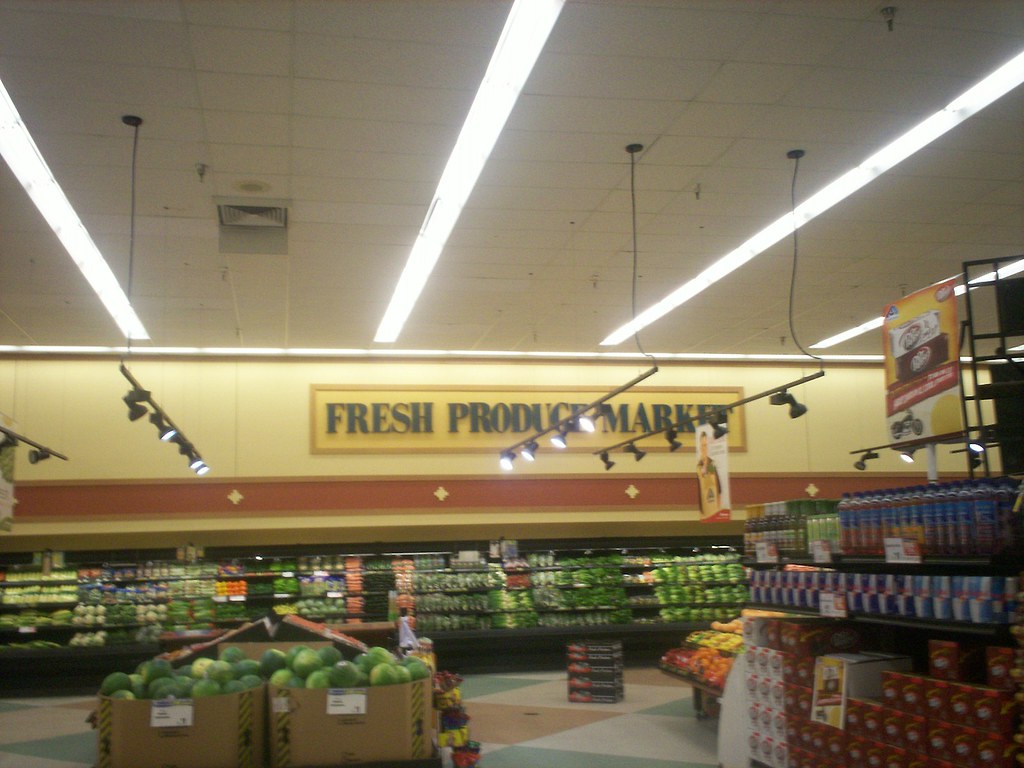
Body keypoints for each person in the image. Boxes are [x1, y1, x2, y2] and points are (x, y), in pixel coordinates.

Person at [696, 430, 721, 519]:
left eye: (706, 445)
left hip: (714, 510)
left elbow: (716, 484)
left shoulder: (711, 464)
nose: (704, 448)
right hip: (703, 512)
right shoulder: (698, 466)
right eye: (702, 445)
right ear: (699, 446)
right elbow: (701, 474)